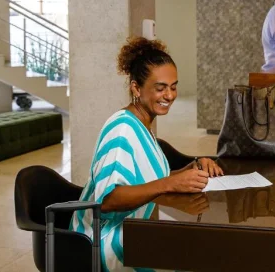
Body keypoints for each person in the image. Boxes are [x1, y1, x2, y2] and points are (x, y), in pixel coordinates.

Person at [70, 37, 223, 272]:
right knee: (198, 253)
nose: (169, 95)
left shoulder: (142, 125)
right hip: (104, 240)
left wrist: (192, 169)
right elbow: (107, 200)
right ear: (136, 88)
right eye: (160, 88)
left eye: (173, 87)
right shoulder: (122, 130)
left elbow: (149, 180)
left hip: (135, 228)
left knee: (200, 247)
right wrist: (170, 183)